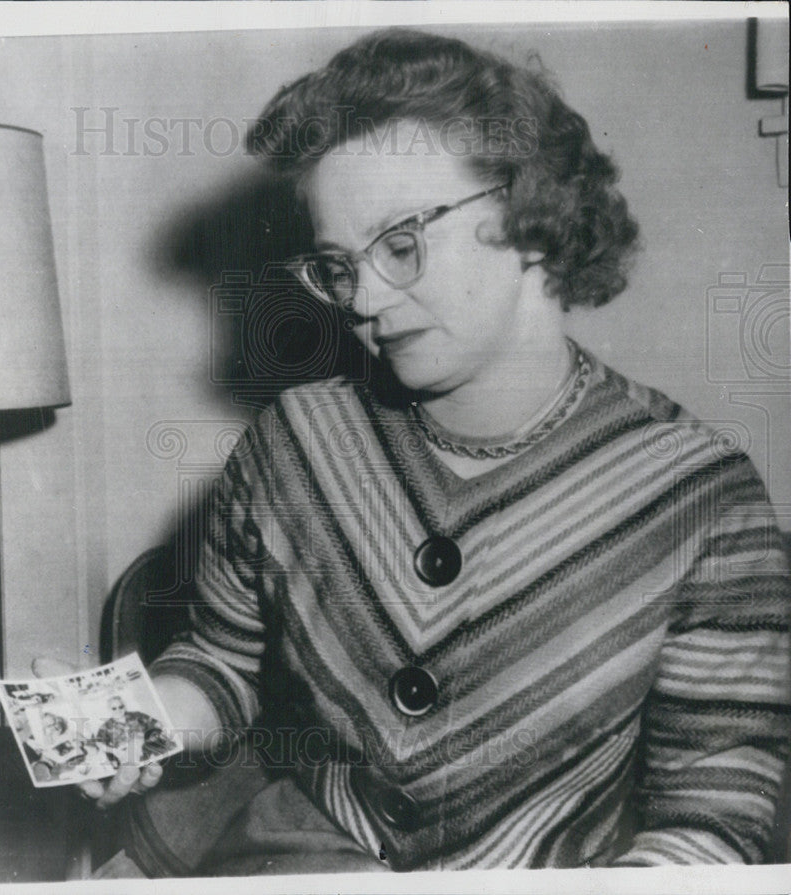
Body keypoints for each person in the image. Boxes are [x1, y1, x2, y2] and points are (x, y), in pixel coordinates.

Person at [82, 29, 791, 873]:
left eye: (402, 242)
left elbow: (710, 821)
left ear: (529, 213)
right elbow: (221, 666)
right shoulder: (294, 443)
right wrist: (128, 720)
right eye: (338, 266)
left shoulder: (702, 497)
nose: (365, 301)